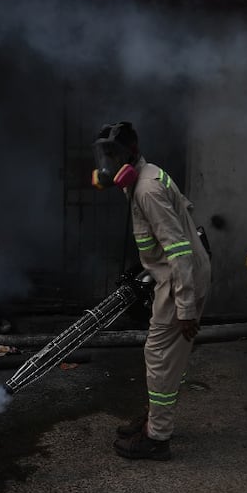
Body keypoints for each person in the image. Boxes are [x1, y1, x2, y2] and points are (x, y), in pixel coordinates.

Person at [91, 121, 211, 461]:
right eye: (105, 155)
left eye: (113, 154)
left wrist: (186, 309)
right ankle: (154, 421)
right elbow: (182, 218)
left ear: (131, 152)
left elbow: (179, 250)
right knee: (165, 358)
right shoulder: (147, 178)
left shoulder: (147, 190)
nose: (108, 163)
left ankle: (157, 438)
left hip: (180, 282)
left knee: (159, 358)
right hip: (175, 279)